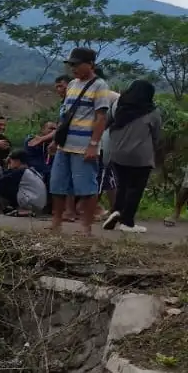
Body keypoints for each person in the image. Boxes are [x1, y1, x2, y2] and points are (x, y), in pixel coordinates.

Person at [49, 46, 112, 237]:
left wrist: (93, 145)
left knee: (86, 188)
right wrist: (55, 140)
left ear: (90, 64)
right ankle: (56, 223)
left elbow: (101, 118)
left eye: (76, 64)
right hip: (65, 143)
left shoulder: (100, 86)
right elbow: (64, 115)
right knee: (58, 185)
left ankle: (86, 227)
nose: (73, 68)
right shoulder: (72, 85)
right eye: (71, 65)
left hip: (84, 145)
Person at [101, 80, 162, 233]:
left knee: (122, 185)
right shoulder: (152, 112)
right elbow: (156, 135)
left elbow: (105, 123)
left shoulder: (117, 106)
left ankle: (116, 210)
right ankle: (127, 222)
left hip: (118, 154)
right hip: (141, 157)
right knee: (135, 189)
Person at [0, 149, 48, 216]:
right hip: (39, 203)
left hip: (32, 203)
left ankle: (20, 208)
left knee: (3, 186)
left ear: (17, 161)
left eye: (10, 161)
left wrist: (8, 167)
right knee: (13, 185)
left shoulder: (20, 172)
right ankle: (20, 208)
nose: (9, 163)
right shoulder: (32, 170)